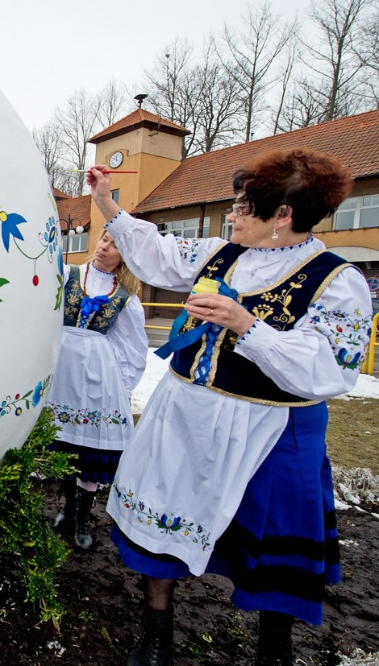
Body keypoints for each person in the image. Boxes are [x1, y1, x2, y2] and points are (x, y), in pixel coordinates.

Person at [87, 147, 372, 666]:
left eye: (243, 207)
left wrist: (247, 325)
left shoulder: (336, 280)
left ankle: (273, 647)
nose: (231, 215)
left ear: (283, 216)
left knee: (271, 540)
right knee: (162, 514)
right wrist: (107, 204)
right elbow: (161, 252)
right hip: (184, 416)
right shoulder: (223, 252)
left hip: (270, 429)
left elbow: (332, 367)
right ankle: (156, 633)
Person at [47, 230, 147, 550]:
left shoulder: (126, 297)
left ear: (125, 256)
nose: (104, 247)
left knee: (90, 446)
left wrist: (122, 386)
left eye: (115, 245)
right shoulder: (69, 274)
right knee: (63, 441)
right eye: (104, 240)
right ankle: (66, 506)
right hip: (61, 366)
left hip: (96, 375)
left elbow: (133, 348)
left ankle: (82, 515)